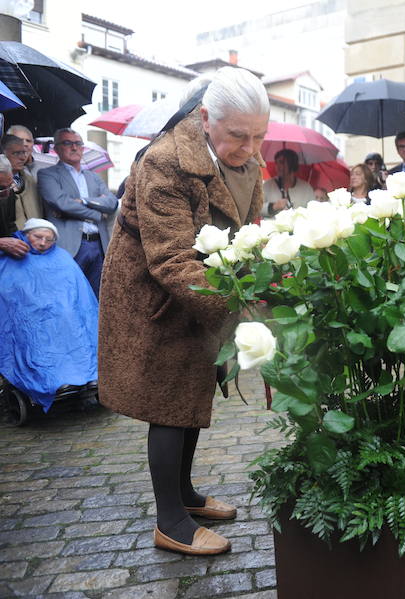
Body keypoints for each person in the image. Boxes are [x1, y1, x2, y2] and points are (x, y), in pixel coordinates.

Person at [98, 67, 270, 556]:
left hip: (205, 289)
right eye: (240, 135)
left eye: (260, 135)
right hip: (155, 296)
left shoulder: (243, 157)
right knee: (169, 403)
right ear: (205, 117)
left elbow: (246, 229)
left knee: (194, 392)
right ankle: (170, 521)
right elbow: (171, 257)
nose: (252, 147)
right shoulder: (165, 161)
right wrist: (240, 309)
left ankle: (186, 495)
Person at [0, 218, 98, 412]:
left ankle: (87, 375)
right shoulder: (8, 258)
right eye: (38, 237)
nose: (43, 243)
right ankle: (55, 380)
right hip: (28, 314)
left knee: (74, 321)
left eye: (49, 239)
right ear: (26, 234)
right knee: (38, 329)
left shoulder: (61, 257)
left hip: (62, 314)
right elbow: (9, 293)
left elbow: (81, 297)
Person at [37, 128, 119, 298]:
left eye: (78, 143)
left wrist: (84, 201)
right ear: (57, 148)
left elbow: (111, 203)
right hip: (70, 246)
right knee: (68, 297)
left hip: (99, 245)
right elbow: (62, 203)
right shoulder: (47, 174)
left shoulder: (94, 177)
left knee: (98, 298)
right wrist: (97, 213)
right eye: (67, 143)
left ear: (82, 148)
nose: (74, 147)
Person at [2, 134, 42, 229]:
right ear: (2, 154)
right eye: (16, 153)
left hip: (36, 239)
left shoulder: (31, 179)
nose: (23, 157)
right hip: (10, 240)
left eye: (24, 152)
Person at [262, 148, 313, 216]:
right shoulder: (267, 185)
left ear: (292, 164)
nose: (278, 166)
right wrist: (273, 206)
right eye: (276, 163)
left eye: (282, 162)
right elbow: (257, 209)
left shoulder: (306, 188)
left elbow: (313, 211)